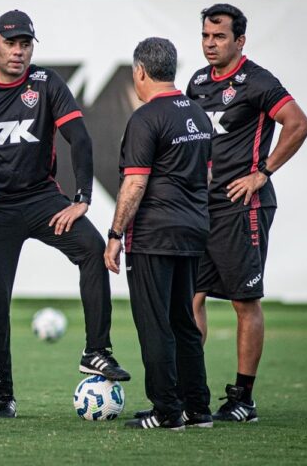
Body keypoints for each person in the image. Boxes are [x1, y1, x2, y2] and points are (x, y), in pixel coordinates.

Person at [0, 9, 130, 418]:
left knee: (93, 250)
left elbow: (80, 139)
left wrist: (82, 199)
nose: (18, 51)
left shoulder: (46, 83)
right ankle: (2, 396)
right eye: (11, 43)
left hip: (42, 200)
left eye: (25, 44)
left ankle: (96, 351)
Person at [186, 3, 307, 422]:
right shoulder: (197, 82)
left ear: (240, 40)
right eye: (206, 36)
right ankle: (189, 390)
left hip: (244, 206)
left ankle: (243, 398)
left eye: (219, 36)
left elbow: (299, 124)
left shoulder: (258, 81)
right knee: (191, 297)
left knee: (244, 301)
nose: (210, 44)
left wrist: (262, 173)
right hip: (202, 207)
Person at [104, 37, 213, 431]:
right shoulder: (198, 114)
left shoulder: (145, 118)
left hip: (154, 234)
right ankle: (197, 409)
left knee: (155, 325)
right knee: (184, 321)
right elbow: (207, 177)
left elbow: (134, 184)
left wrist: (115, 234)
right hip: (193, 231)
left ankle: (166, 411)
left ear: (140, 71)